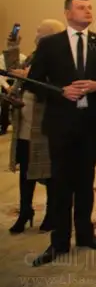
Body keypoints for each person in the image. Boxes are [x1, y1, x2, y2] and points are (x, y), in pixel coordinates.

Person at [28, 0, 96, 267]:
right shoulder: (50, 44)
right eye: (81, 7)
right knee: (60, 181)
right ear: (68, 13)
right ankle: (59, 241)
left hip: (92, 122)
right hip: (60, 121)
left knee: (85, 179)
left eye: (90, 7)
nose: (88, 11)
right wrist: (61, 91)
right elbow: (34, 82)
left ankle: (85, 234)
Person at [6, 19, 64, 234]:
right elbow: (13, 70)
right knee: (25, 169)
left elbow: (53, 85)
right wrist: (13, 46)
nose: (36, 34)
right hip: (24, 121)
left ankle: (52, 212)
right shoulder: (33, 55)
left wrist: (28, 76)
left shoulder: (59, 56)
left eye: (40, 31)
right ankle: (25, 211)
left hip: (44, 122)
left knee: (48, 171)